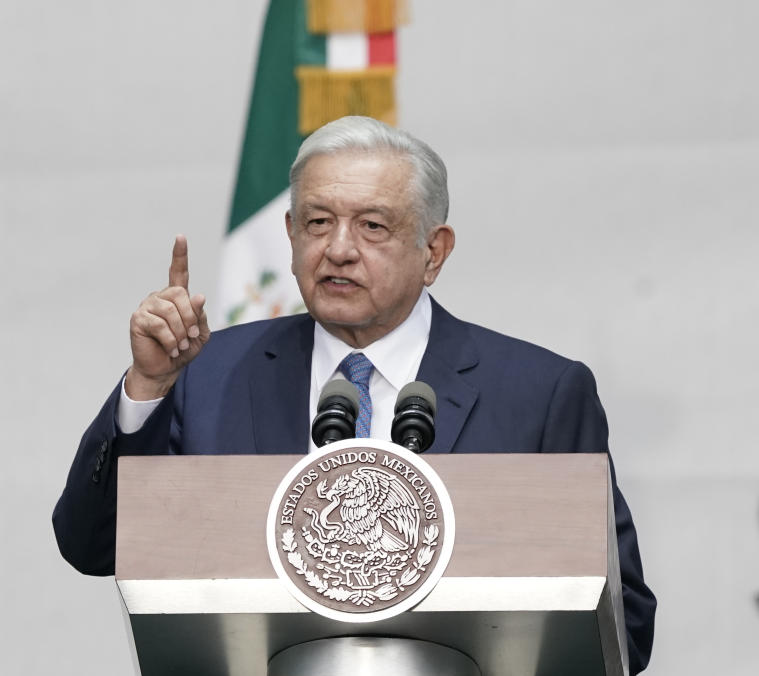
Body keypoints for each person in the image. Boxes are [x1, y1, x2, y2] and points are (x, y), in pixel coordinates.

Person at [53, 116, 656, 673]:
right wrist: (151, 387)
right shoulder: (210, 373)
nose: (338, 248)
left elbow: (623, 621)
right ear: (290, 236)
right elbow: (91, 546)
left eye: (372, 226)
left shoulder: (539, 392)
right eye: (318, 222)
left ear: (434, 251)